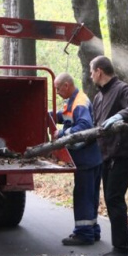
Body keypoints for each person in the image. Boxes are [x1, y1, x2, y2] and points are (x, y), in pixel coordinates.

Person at [88, 56, 128, 256]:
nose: (90, 75)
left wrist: (120, 116)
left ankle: (121, 249)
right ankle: (126, 246)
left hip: (124, 155)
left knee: (114, 198)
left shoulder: (122, 89)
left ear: (100, 71)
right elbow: (97, 127)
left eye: (91, 71)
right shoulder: (98, 97)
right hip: (107, 156)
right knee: (113, 199)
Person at [52, 73, 103, 245]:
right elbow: (65, 115)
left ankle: (83, 233)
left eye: (58, 88)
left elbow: (83, 126)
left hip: (86, 158)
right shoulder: (74, 101)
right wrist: (49, 115)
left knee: (83, 195)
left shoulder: (79, 102)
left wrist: (61, 134)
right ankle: (93, 230)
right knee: (91, 195)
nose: (56, 92)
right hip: (93, 157)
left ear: (67, 85)